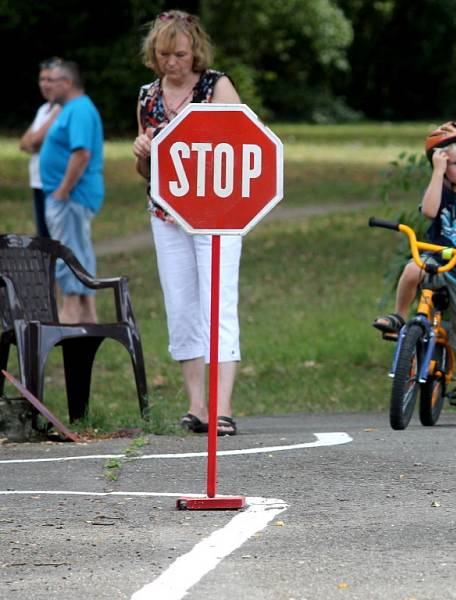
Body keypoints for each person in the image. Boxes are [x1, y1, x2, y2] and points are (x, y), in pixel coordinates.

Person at [132, 9, 242, 436]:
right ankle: (196, 404)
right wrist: (142, 153)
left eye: (179, 54)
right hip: (167, 213)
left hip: (217, 215)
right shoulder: (147, 96)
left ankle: (223, 407)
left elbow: (240, 144)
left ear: (194, 51)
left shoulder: (217, 86)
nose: (171, 63)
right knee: (181, 307)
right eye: (164, 54)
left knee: (219, 303)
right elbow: (146, 171)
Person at [373, 122, 456, 426]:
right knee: (411, 268)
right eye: (455, 163)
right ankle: (399, 316)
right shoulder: (440, 193)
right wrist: (437, 172)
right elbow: (429, 212)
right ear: (443, 164)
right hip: (438, 264)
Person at [39, 60, 104, 324]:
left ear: (67, 83)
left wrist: (62, 190)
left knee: (68, 251)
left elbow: (81, 153)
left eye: (51, 80)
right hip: (69, 196)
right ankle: (88, 314)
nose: (46, 86)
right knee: (78, 249)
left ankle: (71, 312)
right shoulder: (71, 109)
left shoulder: (79, 110)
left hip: (72, 196)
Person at [20, 58, 63, 238]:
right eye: (42, 79)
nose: (45, 84)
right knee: (44, 239)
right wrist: (33, 141)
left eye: (50, 80)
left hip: (55, 184)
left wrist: (34, 141)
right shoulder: (43, 110)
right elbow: (24, 143)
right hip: (38, 182)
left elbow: (35, 141)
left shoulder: (63, 109)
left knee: (58, 239)